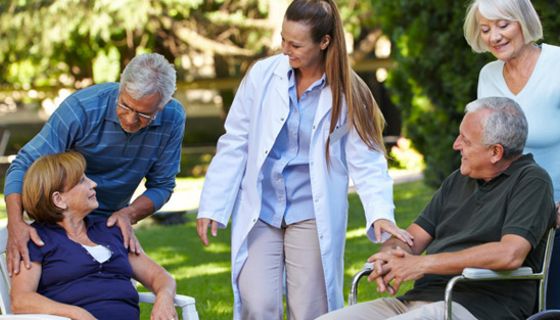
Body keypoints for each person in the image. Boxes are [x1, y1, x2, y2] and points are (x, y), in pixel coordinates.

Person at [196, 0, 412, 319]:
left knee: (310, 306)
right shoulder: (262, 76)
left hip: (310, 212)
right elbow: (235, 142)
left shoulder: (349, 92)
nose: (285, 49)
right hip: (262, 209)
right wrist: (213, 205)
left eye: (295, 44)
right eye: (283, 39)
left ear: (324, 42)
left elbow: (367, 160)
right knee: (257, 303)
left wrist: (380, 213)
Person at [317, 97, 556, 320]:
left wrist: (421, 264)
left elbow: (510, 254)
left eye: (466, 140)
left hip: (478, 305)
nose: (456, 145)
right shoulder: (457, 180)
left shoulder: (531, 181)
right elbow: (412, 240)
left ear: (495, 152)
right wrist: (390, 255)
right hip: (417, 300)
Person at [3, 53, 186, 276]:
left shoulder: (173, 117)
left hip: (111, 224)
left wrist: (128, 215)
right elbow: (23, 165)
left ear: (162, 106)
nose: (130, 120)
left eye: (143, 115)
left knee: (114, 291)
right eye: (125, 106)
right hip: (60, 221)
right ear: (121, 87)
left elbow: (163, 185)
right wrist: (15, 222)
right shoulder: (81, 108)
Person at [463, 0, 560, 308]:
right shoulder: (488, 76)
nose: (494, 36)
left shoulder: (557, 66)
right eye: (486, 29)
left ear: (523, 22)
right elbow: (490, 148)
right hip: (515, 216)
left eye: (503, 25)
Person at [10, 151, 178, 320]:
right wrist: (76, 314)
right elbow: (21, 300)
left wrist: (164, 298)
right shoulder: (37, 239)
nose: (93, 184)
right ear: (59, 199)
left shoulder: (110, 229)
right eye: (82, 181)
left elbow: (159, 276)